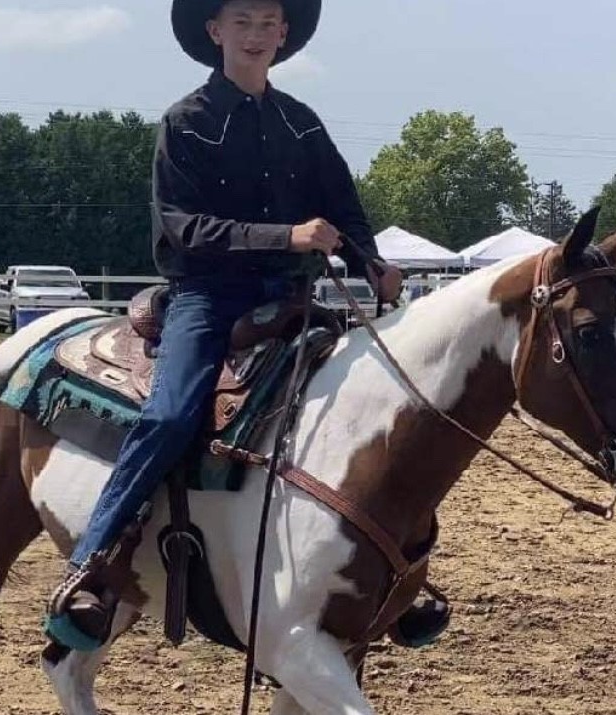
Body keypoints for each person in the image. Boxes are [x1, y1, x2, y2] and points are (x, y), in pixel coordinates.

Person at [44, 0, 448, 651]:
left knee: (375, 402)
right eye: (242, 22)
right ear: (214, 32)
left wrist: (372, 265)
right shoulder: (186, 123)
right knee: (170, 415)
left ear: (283, 34)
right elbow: (182, 226)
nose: (255, 35)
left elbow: (343, 207)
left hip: (291, 296)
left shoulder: (301, 124)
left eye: (267, 23)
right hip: (208, 296)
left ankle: (388, 569)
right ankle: (95, 559)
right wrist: (285, 236)